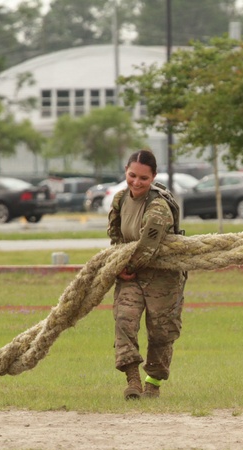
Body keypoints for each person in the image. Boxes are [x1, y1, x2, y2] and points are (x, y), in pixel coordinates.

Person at [108, 149, 186, 399]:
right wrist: (118, 265)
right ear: (125, 172)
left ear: (153, 177)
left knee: (161, 331)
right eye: (132, 175)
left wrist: (127, 267)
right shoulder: (120, 200)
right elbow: (115, 237)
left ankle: (153, 384)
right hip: (130, 273)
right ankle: (133, 380)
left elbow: (148, 246)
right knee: (124, 320)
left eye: (143, 178)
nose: (136, 182)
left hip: (162, 276)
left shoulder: (158, 207)